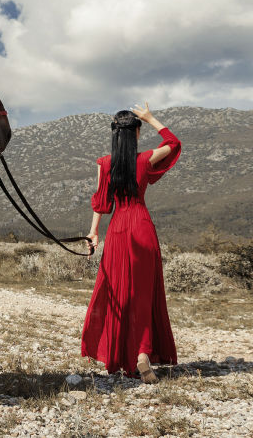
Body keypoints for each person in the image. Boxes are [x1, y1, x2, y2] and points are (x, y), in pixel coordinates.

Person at [80, 103, 181, 382]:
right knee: (144, 294)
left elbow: (101, 205)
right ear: (136, 134)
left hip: (118, 231)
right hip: (142, 226)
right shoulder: (145, 159)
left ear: (114, 135)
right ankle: (142, 353)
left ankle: (124, 354)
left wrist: (93, 233)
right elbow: (173, 143)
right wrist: (151, 119)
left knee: (118, 294)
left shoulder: (103, 164)